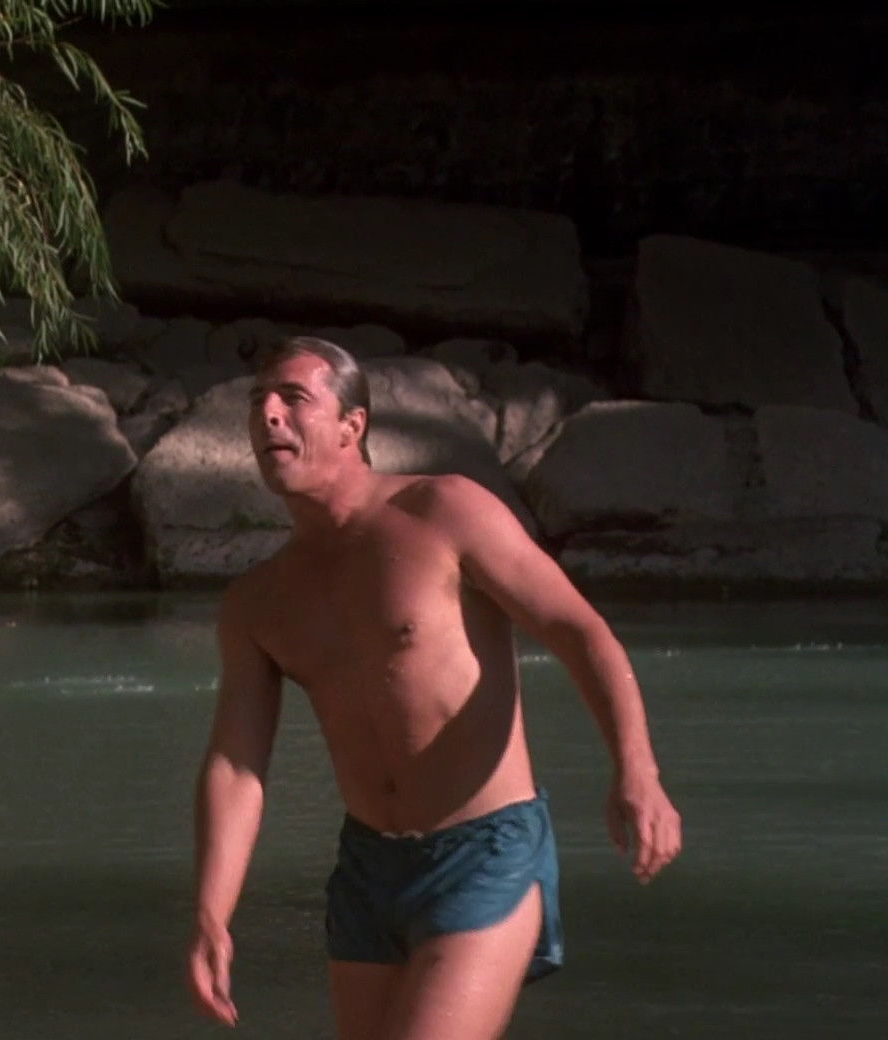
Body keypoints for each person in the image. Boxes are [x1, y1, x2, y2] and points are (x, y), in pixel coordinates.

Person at [187, 337, 682, 1039]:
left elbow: (580, 631)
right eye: (258, 402)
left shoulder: (444, 512)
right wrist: (212, 913)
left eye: (293, 398)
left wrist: (637, 769)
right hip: (368, 870)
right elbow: (237, 765)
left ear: (352, 425)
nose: (267, 414)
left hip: (484, 853)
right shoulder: (258, 601)